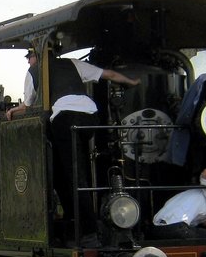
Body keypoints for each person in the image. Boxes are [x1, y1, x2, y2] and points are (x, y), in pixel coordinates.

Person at [8, 49, 139, 243]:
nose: (29, 62)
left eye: (29, 57)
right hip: (90, 117)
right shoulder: (73, 63)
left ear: (37, 54)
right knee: (75, 167)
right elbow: (109, 74)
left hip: (65, 118)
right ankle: (79, 219)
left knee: (73, 175)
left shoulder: (34, 71)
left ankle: (88, 231)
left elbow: (28, 105)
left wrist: (12, 111)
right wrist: (132, 82)